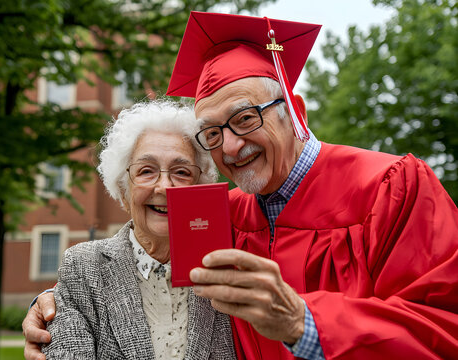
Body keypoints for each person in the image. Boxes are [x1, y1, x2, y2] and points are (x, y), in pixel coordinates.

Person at [24, 12, 458, 360]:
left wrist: (304, 323)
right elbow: (137, 264)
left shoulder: (391, 187)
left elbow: (445, 327)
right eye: (211, 133)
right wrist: (50, 304)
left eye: (246, 118)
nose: (230, 145)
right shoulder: (221, 215)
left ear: (294, 111)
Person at [37, 99, 237, 359]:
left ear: (200, 186)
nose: (164, 187)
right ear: (123, 189)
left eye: (181, 172)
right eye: (146, 171)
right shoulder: (83, 268)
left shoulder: (227, 264)